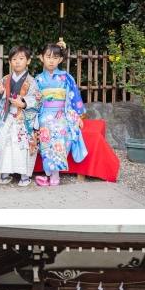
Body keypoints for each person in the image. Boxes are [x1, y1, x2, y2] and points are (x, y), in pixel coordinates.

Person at [0, 45, 41, 186]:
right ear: (10, 62)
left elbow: (37, 99)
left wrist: (23, 104)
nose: (17, 62)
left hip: (23, 120)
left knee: (22, 145)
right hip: (8, 117)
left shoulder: (31, 82)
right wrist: (1, 92)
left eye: (21, 58)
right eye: (14, 59)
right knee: (4, 142)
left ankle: (24, 176)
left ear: (28, 61)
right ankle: (5, 173)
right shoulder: (6, 79)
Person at [34, 42, 87, 187]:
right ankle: (51, 174)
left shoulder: (66, 77)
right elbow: (33, 100)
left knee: (60, 130)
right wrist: (37, 98)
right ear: (41, 58)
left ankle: (53, 175)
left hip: (61, 112)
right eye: (48, 56)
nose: (51, 60)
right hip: (44, 112)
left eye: (55, 57)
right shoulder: (37, 79)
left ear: (60, 60)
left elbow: (73, 97)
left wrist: (76, 116)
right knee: (45, 128)